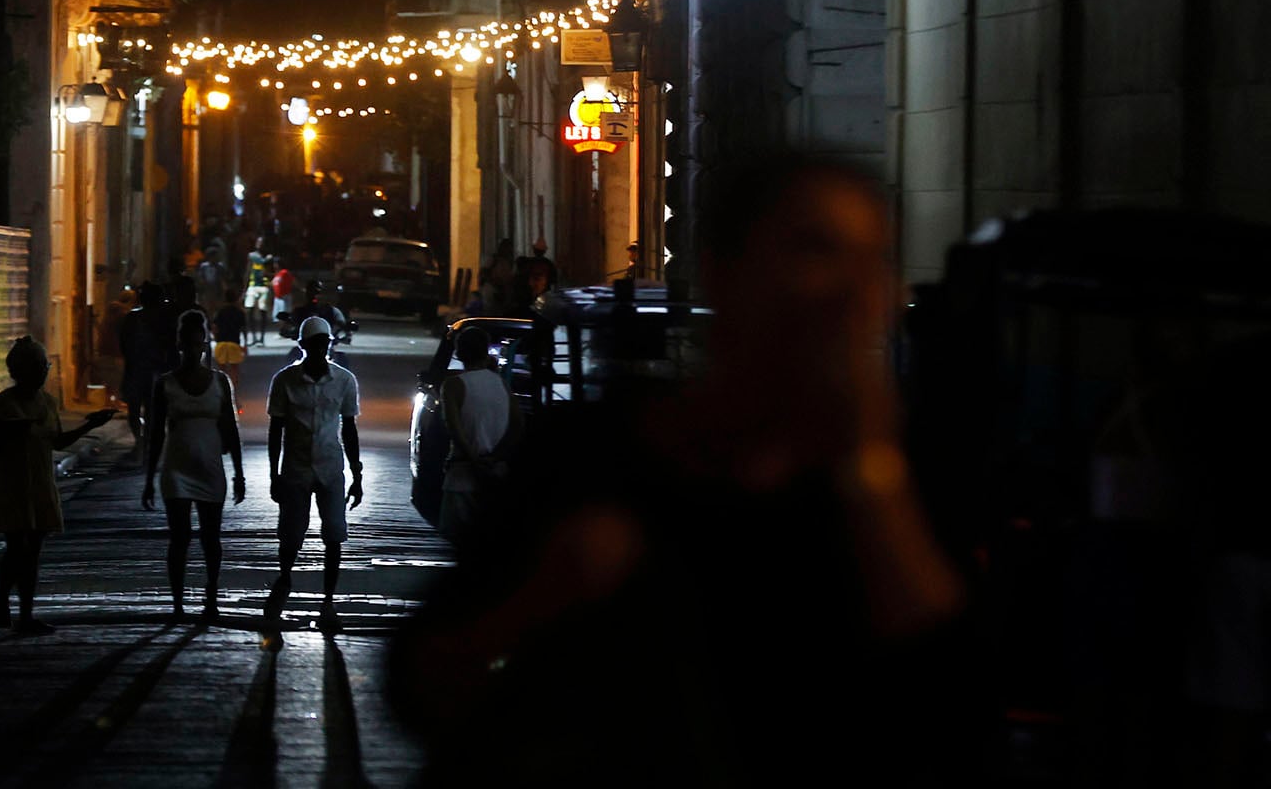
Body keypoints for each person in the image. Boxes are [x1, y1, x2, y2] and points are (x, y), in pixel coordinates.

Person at [387, 154, 968, 785]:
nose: (851, 291)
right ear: (726, 274)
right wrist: (553, 588)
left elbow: (953, 710)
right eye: (815, 250)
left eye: (875, 260)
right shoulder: (599, 459)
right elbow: (424, 681)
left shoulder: (904, 476)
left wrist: (869, 470)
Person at [0, 337, 116, 634]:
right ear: (20, 370)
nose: (43, 373)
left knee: (32, 550)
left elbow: (57, 440)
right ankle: (8, 606)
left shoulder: (47, 402)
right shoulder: (5, 404)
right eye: (37, 367)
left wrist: (90, 425)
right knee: (17, 547)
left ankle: (18, 610)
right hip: (12, 485)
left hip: (40, 483)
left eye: (44, 367)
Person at [142, 311, 247, 618]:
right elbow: (155, 435)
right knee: (180, 537)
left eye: (197, 342)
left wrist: (239, 473)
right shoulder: (165, 384)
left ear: (204, 346)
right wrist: (150, 478)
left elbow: (230, 428)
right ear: (180, 346)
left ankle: (211, 598)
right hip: (176, 470)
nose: (191, 349)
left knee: (211, 537)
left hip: (211, 469)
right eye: (186, 343)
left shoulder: (220, 382)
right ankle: (177, 604)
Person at [264, 315, 365, 630]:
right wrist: (274, 475)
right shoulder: (284, 380)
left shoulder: (345, 381)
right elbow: (275, 429)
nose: (320, 351)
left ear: (329, 346)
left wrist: (357, 473)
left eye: (324, 345)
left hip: (331, 467)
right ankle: (284, 580)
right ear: (303, 347)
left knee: (334, 535)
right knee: (291, 535)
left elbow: (349, 428)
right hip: (295, 468)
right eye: (314, 345)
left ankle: (328, 602)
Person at [438, 326, 521, 548]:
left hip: (463, 475)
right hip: (496, 475)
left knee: (459, 544)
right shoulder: (502, 384)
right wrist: (495, 458)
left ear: (459, 352)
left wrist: (475, 460)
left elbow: (455, 429)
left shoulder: (453, 385)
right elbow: (517, 425)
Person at [119, 281, 166, 447]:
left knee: (135, 406)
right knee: (151, 408)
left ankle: (141, 440)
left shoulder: (132, 318)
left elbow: (123, 343)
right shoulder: (162, 319)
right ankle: (146, 440)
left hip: (137, 368)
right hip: (153, 369)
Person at [212, 297, 249, 402]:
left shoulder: (219, 312)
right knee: (234, 370)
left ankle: (222, 390)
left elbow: (214, 326)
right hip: (234, 344)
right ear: (235, 300)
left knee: (221, 370)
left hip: (221, 343)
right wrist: (245, 344)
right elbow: (243, 329)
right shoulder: (239, 312)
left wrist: (215, 338)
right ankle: (233, 391)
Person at [243, 239, 274, 346]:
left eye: (262, 243)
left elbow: (272, 271)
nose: (260, 244)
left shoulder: (269, 257)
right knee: (249, 311)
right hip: (253, 286)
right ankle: (254, 337)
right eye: (258, 242)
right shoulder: (252, 256)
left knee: (263, 311)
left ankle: (261, 337)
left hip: (264, 286)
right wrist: (244, 288)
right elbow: (248, 271)